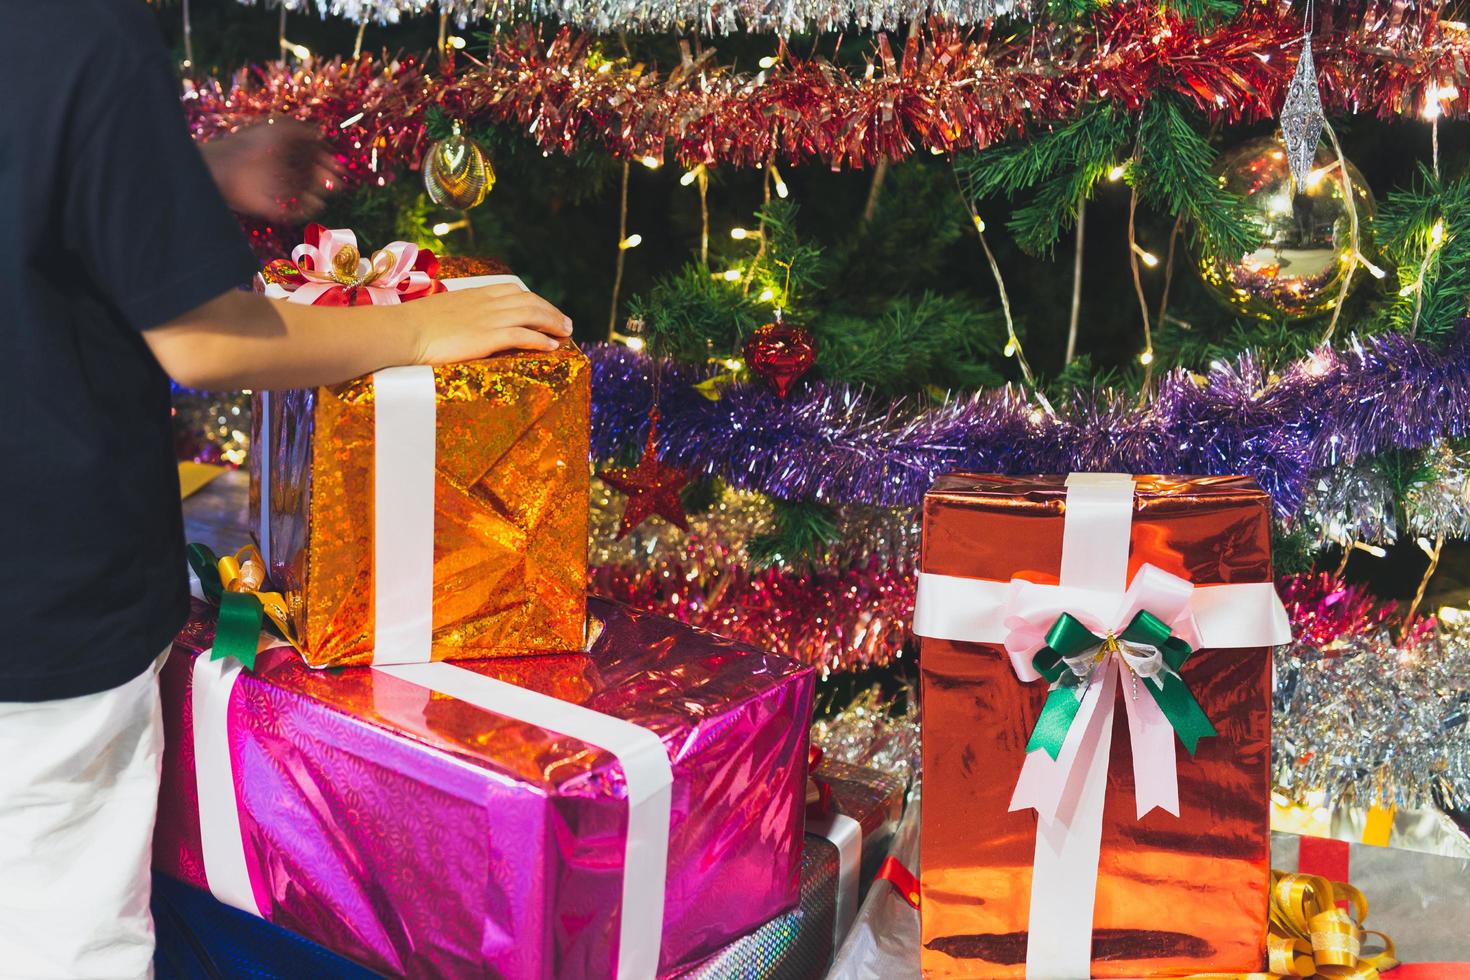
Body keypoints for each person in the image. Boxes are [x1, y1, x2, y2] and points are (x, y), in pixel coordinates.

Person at [0, 3, 573, 977]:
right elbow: (208, 339)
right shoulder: (88, 29)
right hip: (42, 619)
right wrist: (421, 329)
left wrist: (177, 180)